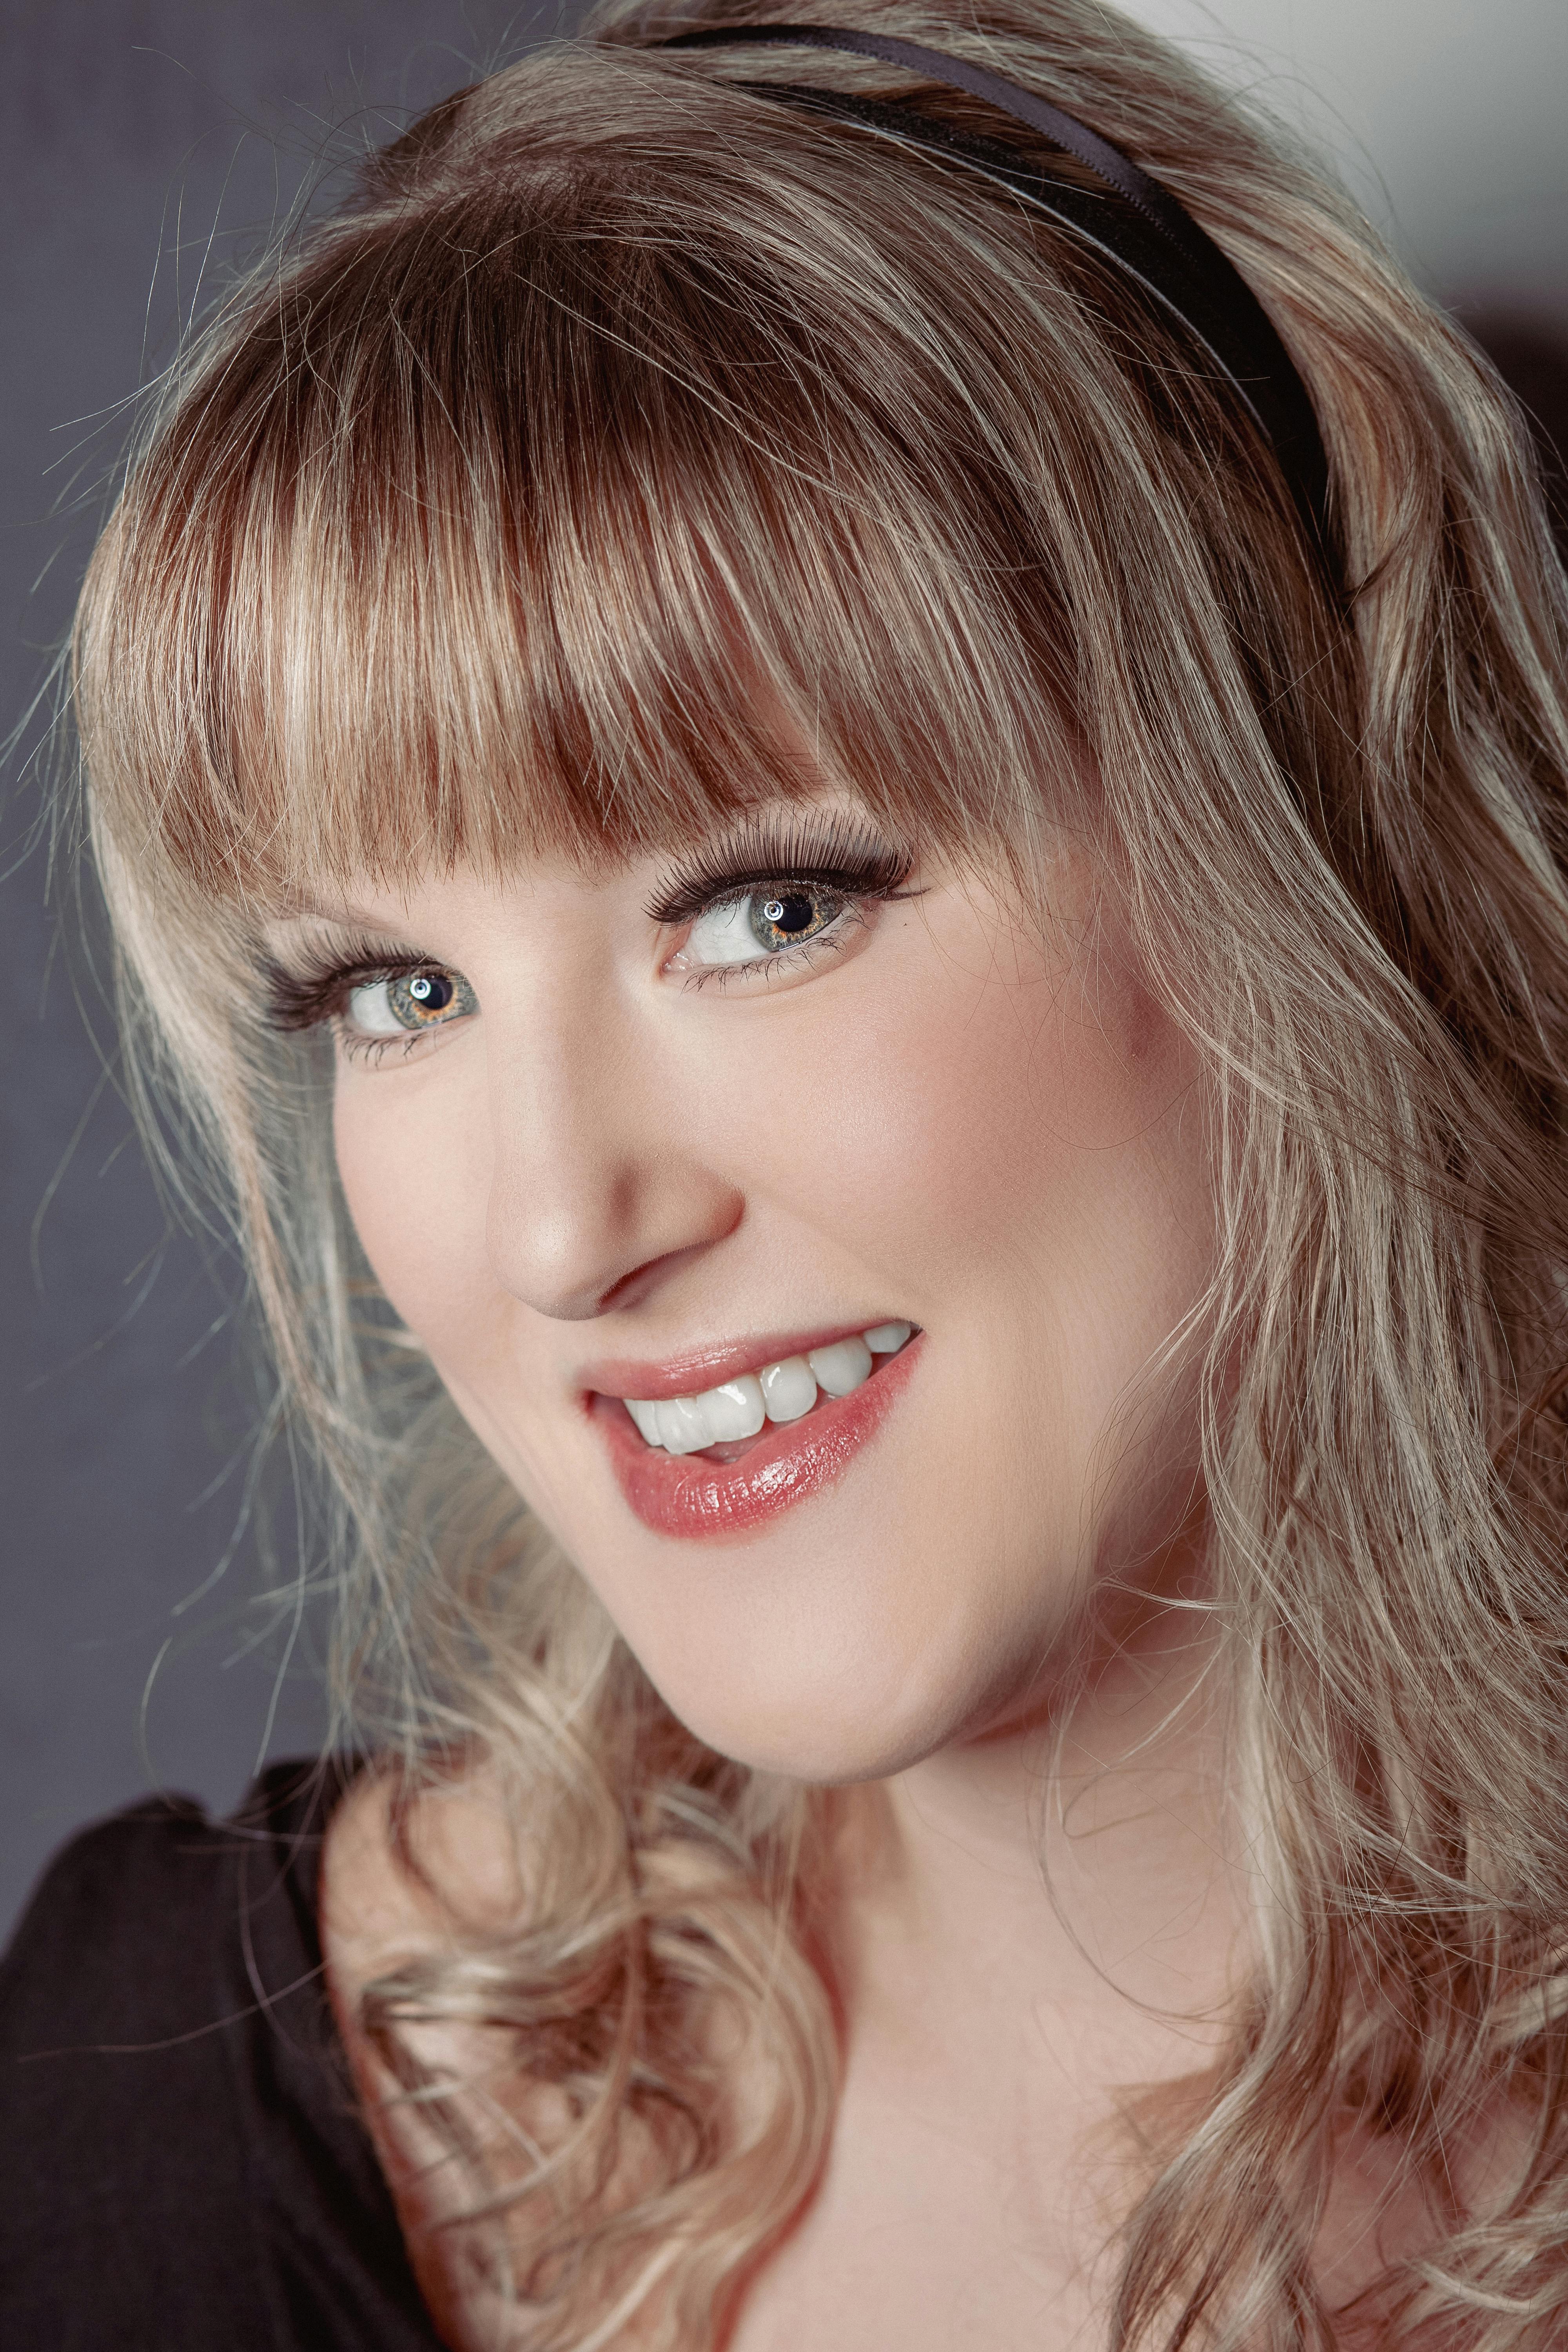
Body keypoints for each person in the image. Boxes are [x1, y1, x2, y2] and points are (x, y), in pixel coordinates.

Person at [5, 2, 1568, 2345]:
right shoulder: (162, 2113)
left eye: (770, 909)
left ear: (1305, 837)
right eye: (394, 993)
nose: (557, 1232)